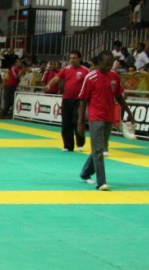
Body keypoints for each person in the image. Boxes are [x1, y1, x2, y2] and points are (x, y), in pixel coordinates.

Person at [77, 50, 133, 191]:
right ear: (99, 63)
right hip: (95, 116)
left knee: (100, 147)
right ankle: (101, 182)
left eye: (111, 63)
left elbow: (119, 96)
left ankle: (85, 172)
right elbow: (83, 101)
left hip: (109, 116)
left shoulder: (114, 76)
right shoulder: (91, 77)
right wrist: (80, 122)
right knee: (98, 150)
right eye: (106, 63)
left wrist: (128, 112)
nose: (109, 66)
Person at [48, 50, 89, 152]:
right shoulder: (65, 69)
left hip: (79, 100)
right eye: (70, 58)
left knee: (77, 121)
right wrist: (49, 85)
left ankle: (80, 143)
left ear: (79, 59)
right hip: (66, 99)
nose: (72, 60)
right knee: (66, 123)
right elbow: (57, 78)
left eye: (74, 58)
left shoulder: (85, 70)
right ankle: (68, 145)